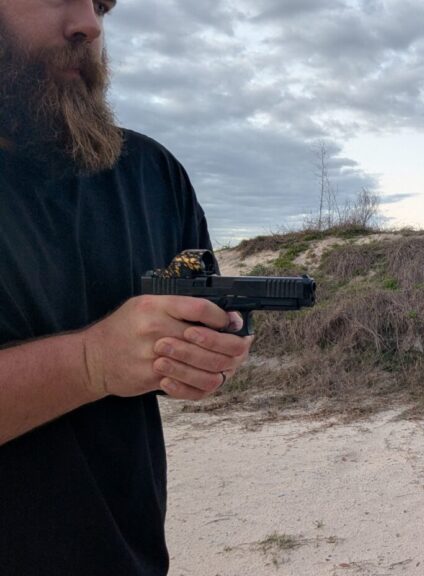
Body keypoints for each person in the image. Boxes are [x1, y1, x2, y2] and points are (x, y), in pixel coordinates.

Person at [0, 1, 254, 574]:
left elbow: (212, 302)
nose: (88, 24)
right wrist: (92, 362)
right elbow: (108, 359)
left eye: (100, 3)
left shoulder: (148, 171)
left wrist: (203, 352)